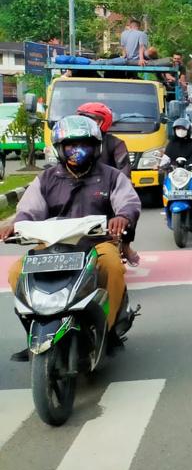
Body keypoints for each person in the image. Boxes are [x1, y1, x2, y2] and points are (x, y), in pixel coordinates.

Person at [2, 116, 140, 362]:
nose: (77, 150)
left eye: (84, 144)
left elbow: (128, 202)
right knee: (16, 273)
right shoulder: (46, 179)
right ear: (60, 148)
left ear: (96, 146)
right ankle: (35, 333)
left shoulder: (111, 176)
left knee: (112, 268)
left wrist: (121, 217)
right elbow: (29, 209)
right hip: (53, 245)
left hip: (98, 243)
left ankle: (108, 332)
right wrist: (15, 225)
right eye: (70, 145)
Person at [77, 102, 141, 266]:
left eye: (87, 119)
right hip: (79, 189)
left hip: (108, 191)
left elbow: (124, 171)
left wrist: (119, 187)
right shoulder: (73, 142)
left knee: (128, 207)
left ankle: (125, 246)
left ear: (101, 122)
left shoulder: (115, 144)